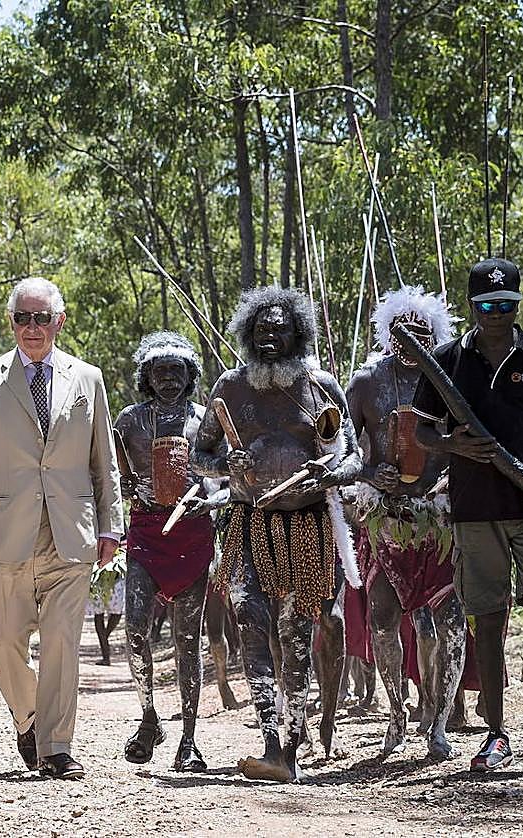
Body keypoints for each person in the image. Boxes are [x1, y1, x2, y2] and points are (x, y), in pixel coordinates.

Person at [411, 258, 523, 771]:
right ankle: (496, 735)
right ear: (472, 307)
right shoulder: (446, 361)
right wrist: (453, 444)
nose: (497, 314)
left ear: (517, 305)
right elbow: (422, 431)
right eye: (487, 306)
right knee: (487, 620)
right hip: (474, 510)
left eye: (506, 305)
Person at [0, 276, 124, 780]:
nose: (32, 327)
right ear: (11, 322)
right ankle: (29, 717)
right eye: (22, 318)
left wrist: (111, 525)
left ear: (59, 321)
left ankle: (56, 746)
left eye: (41, 318)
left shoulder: (88, 379)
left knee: (62, 644)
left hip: (71, 533)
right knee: (5, 642)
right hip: (6, 532)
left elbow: (104, 462)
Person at [193, 287, 361, 783]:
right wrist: (226, 465)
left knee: (296, 636)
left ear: (297, 335)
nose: (269, 337)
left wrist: (329, 474)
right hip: (247, 524)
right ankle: (270, 742)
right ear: (248, 334)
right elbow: (199, 456)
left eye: (279, 330)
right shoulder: (230, 387)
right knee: (250, 623)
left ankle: (289, 749)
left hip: (307, 527)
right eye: (261, 330)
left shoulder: (320, 385)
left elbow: (353, 457)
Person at [345, 286, 468, 759]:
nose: (411, 341)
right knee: (382, 619)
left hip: (437, 520)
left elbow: (468, 440)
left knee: (450, 623)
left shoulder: (450, 380)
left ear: (434, 337)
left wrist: (447, 481)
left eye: (421, 333)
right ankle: (396, 716)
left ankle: (437, 722)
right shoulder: (366, 382)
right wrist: (370, 472)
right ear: (387, 333)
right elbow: (340, 449)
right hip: (384, 517)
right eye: (402, 332)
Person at [114, 331, 227, 771]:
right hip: (146, 532)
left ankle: (189, 739)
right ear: (147, 376)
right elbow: (111, 472)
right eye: (159, 371)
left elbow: (226, 476)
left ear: (189, 374)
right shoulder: (129, 421)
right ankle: (149, 718)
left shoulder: (205, 420)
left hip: (192, 536)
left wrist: (210, 501)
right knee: (135, 630)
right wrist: (124, 490)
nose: (168, 379)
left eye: (176, 371)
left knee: (188, 640)